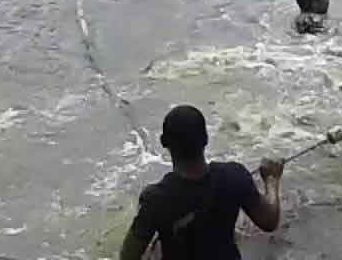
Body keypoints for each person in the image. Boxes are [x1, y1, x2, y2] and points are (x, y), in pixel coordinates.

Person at [119, 105, 283, 260]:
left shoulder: (155, 199)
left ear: (163, 142)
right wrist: (271, 179)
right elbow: (269, 221)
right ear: (206, 138)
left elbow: (127, 256)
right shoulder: (234, 176)